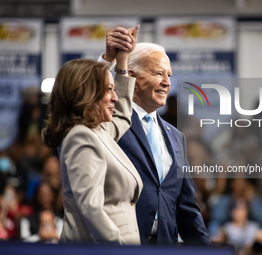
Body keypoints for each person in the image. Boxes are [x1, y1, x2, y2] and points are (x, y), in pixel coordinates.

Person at [98, 27, 210, 245]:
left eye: (169, 75)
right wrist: (107, 61)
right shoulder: (109, 124)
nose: (167, 82)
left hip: (165, 246)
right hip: (120, 244)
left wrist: (208, 250)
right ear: (131, 75)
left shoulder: (176, 136)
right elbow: (82, 106)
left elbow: (186, 208)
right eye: (158, 73)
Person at [43, 26, 143, 245]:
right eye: (109, 90)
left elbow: (123, 117)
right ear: (87, 94)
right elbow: (90, 207)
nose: (115, 98)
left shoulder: (95, 131)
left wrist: (121, 62)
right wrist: (121, 250)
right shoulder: (82, 137)